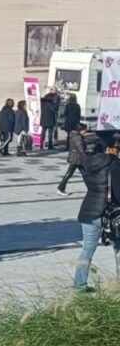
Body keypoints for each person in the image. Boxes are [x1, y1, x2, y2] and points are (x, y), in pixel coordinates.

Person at [73, 138, 118, 291]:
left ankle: (79, 285)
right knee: (118, 248)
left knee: (87, 249)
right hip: (108, 213)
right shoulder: (114, 164)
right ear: (108, 149)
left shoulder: (88, 164)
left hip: (88, 211)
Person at [58, 123, 91, 196]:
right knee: (70, 173)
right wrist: (86, 156)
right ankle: (60, 188)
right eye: (85, 130)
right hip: (76, 158)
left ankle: (90, 188)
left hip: (76, 158)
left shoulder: (74, 135)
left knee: (84, 173)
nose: (86, 132)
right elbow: (81, 149)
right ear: (81, 130)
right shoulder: (78, 137)